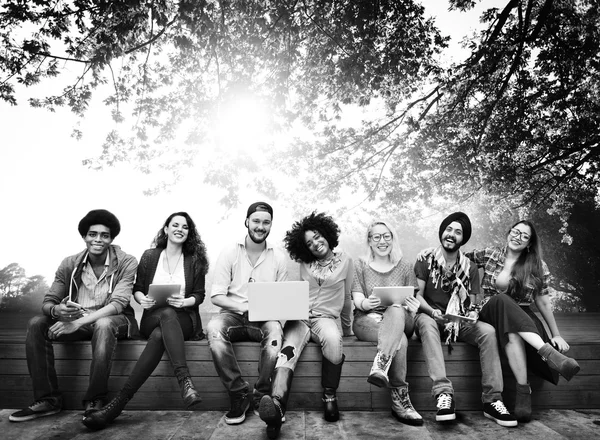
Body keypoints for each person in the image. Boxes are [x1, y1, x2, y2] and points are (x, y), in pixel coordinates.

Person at [82, 212, 209, 430]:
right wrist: (143, 300)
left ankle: (116, 406)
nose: (180, 229)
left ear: (189, 233)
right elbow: (137, 289)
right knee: (164, 316)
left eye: (185, 226)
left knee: (164, 328)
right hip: (152, 316)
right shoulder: (150, 256)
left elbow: (199, 295)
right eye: (175, 225)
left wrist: (185, 301)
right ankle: (185, 381)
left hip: (184, 320)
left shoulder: (194, 260)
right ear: (166, 229)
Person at [9, 209, 138, 423]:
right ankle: (48, 400)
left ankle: (95, 400)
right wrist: (56, 311)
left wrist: (76, 322)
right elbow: (49, 301)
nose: (98, 239)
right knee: (37, 323)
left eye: (104, 235)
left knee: (104, 323)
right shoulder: (70, 263)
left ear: (111, 238)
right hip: (79, 321)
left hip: (115, 321)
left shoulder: (126, 261)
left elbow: (118, 304)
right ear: (84, 236)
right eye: (92, 234)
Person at [464, 220, 580, 422]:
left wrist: (556, 334)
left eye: (524, 236)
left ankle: (523, 390)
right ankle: (549, 354)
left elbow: (543, 302)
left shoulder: (537, 265)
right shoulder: (490, 254)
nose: (517, 237)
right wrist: (432, 253)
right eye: (515, 232)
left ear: (529, 243)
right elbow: (455, 257)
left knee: (513, 332)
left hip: (523, 318)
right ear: (508, 233)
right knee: (501, 299)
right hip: (489, 310)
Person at [414, 212, 517, 427]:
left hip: (457, 323)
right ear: (442, 232)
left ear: (463, 239)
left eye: (458, 232)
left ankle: (493, 399)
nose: (451, 235)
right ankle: (443, 394)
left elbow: (472, 303)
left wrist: (470, 315)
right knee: (424, 321)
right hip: (431, 318)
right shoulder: (425, 259)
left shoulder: (469, 267)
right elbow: (417, 296)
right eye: (449, 229)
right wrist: (432, 312)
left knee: (488, 331)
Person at [259, 212, 353, 439]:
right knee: (286, 352)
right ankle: (277, 405)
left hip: (325, 319)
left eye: (318, 237)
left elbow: (348, 296)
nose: (315, 244)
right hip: (300, 318)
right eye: (309, 243)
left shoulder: (346, 261)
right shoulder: (303, 263)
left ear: (327, 234)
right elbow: (292, 292)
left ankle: (329, 396)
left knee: (333, 339)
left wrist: (348, 329)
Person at [206, 202, 288, 425]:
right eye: (256, 221)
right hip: (233, 314)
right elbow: (216, 296)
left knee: (274, 331)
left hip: (263, 319)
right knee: (213, 328)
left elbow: (282, 297)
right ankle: (238, 394)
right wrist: (242, 307)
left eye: (266, 222)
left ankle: (262, 395)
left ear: (271, 225)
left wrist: (274, 314)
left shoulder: (279, 256)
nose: (260, 226)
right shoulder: (230, 252)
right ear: (247, 222)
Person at [351, 220, 423, 426]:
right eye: (377, 237)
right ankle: (401, 400)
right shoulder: (360, 265)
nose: (382, 241)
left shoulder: (405, 265)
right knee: (399, 339)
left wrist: (413, 306)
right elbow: (357, 300)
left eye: (386, 236)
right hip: (368, 320)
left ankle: (381, 362)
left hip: (402, 317)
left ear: (392, 239)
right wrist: (366, 303)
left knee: (397, 308)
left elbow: (413, 299)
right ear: (370, 241)